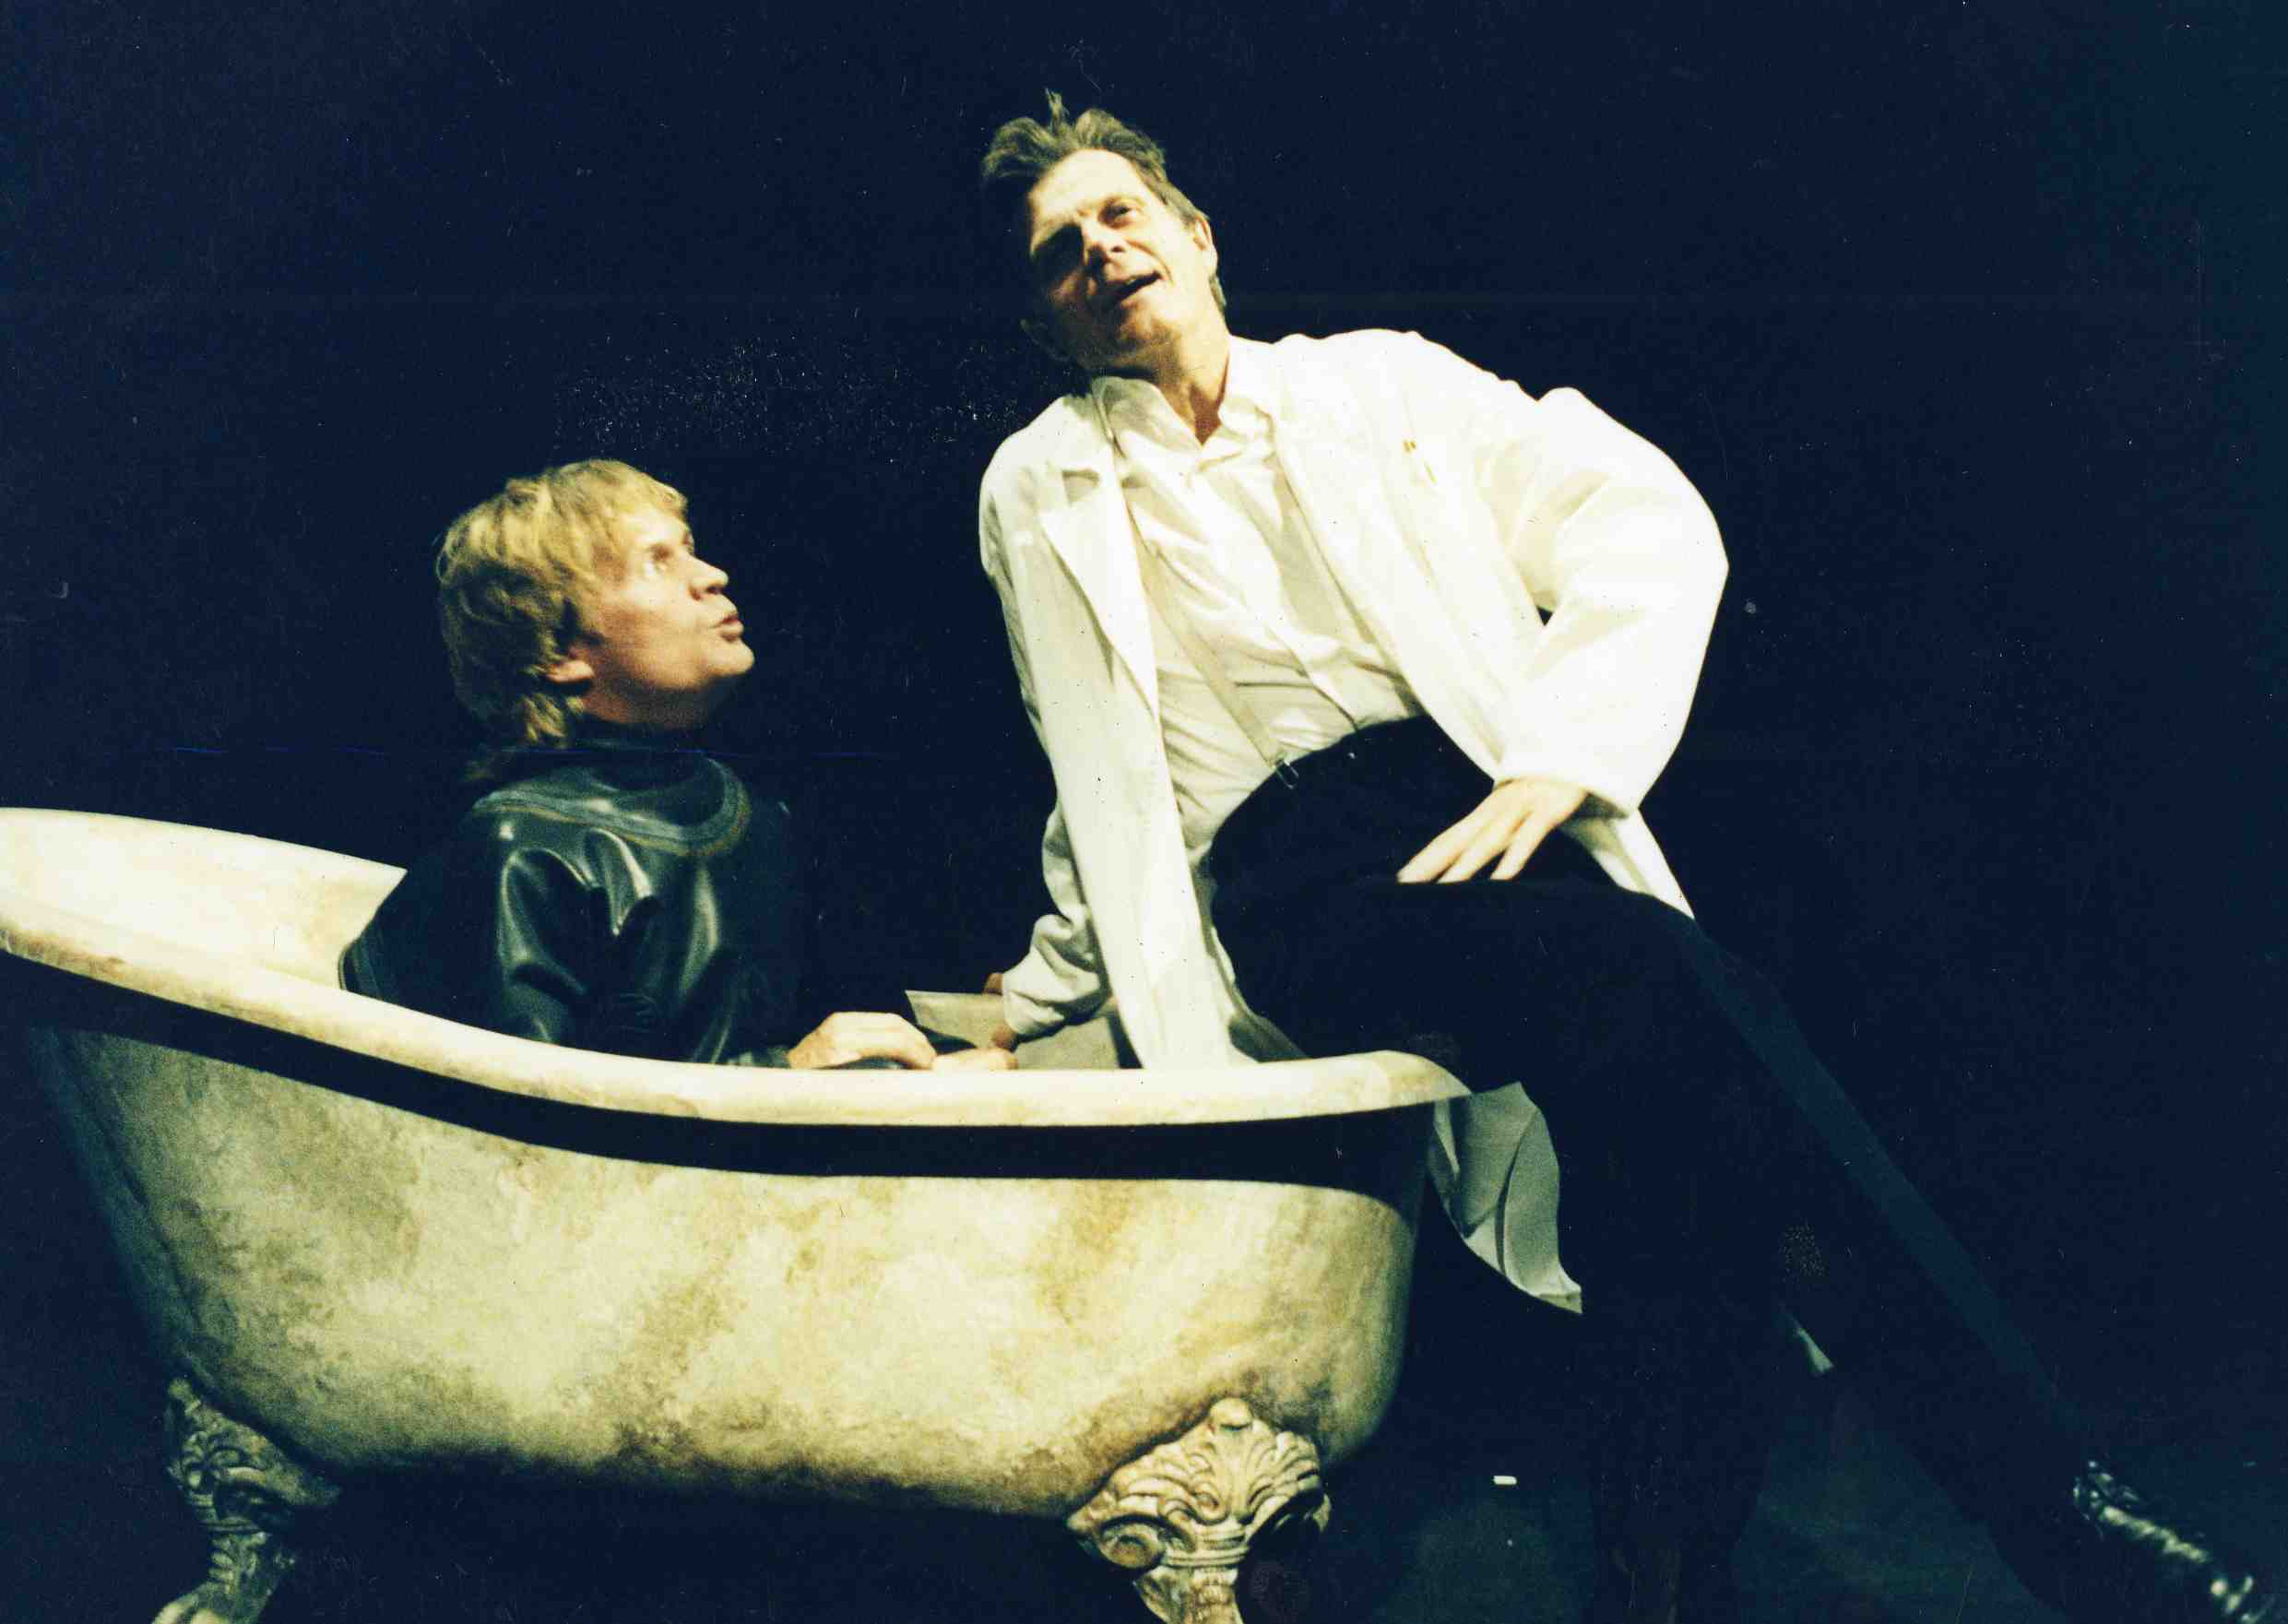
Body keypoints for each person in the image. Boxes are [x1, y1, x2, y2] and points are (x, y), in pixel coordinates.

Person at [971, 94, 2274, 1622]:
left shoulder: (1382, 383)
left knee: (1674, 1142)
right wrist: (1032, 1000)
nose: (1100, 250)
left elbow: (1634, 512)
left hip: (1481, 816)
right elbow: (1088, 764)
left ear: (1197, 238)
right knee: (1662, 983)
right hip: (1298, 886)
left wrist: (1565, 751)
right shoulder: (1038, 488)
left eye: (1121, 213)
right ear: (1049, 322)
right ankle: (2066, 1512)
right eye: (1060, 251)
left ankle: (1658, 1589)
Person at [342, 457, 1009, 1076]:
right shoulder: (519, 852)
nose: (711, 575)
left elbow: (869, 1033)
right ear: (560, 652)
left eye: (689, 547)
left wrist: (949, 1064)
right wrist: (787, 1077)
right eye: (656, 563)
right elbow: (525, 1130)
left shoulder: (759, 817)